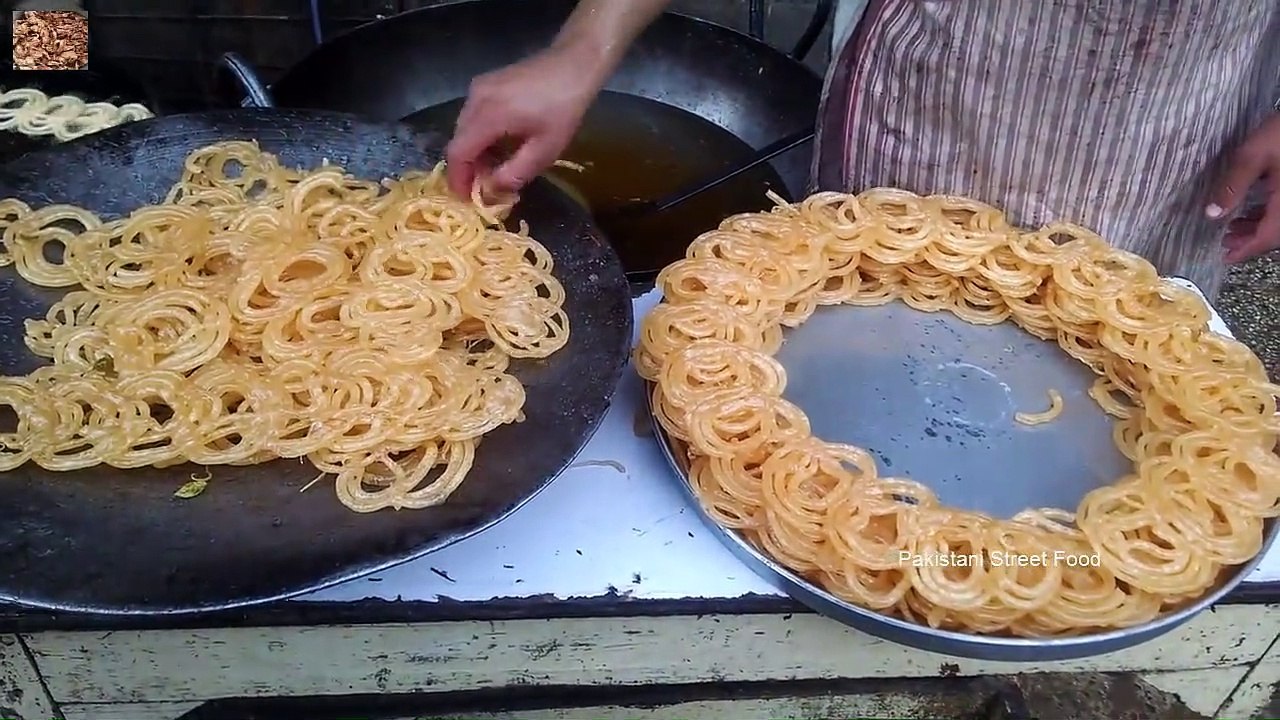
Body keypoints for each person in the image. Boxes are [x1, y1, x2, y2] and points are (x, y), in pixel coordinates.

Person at [445, 0, 1280, 301]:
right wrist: (585, 46)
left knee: (1115, 384)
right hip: (926, 95)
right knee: (840, 362)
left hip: (1175, 125)